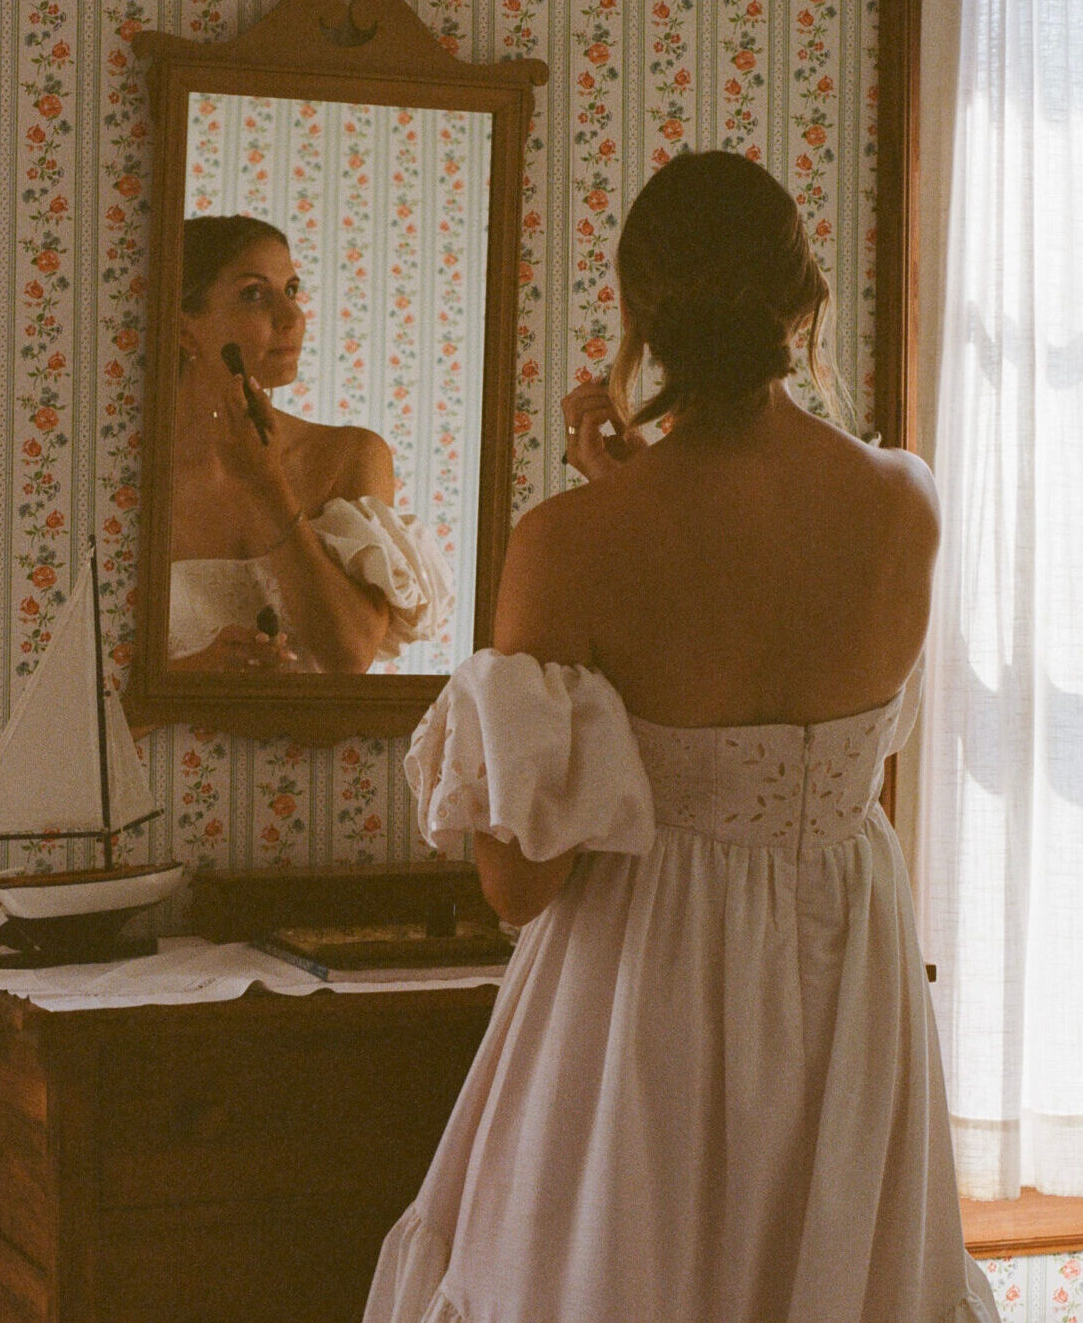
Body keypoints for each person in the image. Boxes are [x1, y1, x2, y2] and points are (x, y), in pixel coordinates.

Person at [365, 152, 997, 1323]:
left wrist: (614, 496)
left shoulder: (572, 540)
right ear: (803, 305)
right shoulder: (904, 504)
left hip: (646, 983)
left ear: (639, 319)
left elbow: (518, 880)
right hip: (847, 961)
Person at [167, 214, 448, 675]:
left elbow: (350, 657)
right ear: (185, 330)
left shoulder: (350, 456)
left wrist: (267, 484)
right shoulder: (130, 476)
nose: (292, 317)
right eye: (254, 294)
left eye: (291, 290)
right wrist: (192, 674)